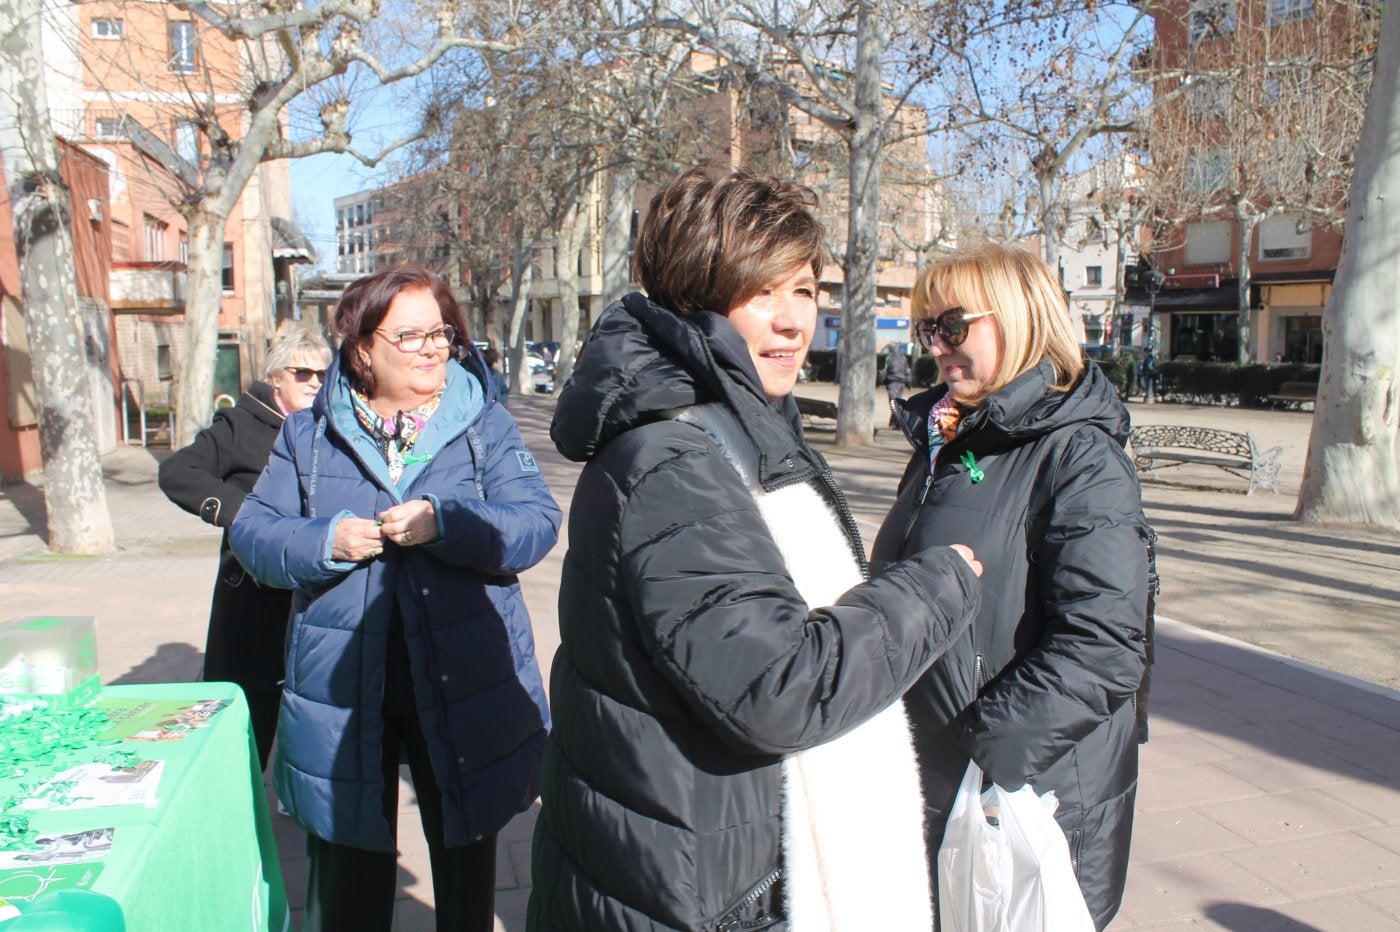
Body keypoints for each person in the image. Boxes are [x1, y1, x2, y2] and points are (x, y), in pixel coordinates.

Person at [529, 168, 983, 931]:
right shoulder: (677, 455)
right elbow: (777, 684)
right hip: (704, 887)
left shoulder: (733, 424)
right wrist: (936, 590)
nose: (791, 321)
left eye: (804, 290)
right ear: (695, 297)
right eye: (760, 291)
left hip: (699, 856)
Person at [229, 265, 561, 932]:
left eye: (440, 332)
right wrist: (326, 541)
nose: (434, 347)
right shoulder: (307, 436)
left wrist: (449, 522)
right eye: (411, 335)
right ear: (362, 349)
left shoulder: (482, 425)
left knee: (466, 867)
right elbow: (253, 535)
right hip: (344, 687)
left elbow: (536, 522)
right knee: (348, 873)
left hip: (466, 680)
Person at [871, 242, 1151, 929]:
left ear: (1022, 318)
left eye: (954, 326)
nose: (937, 346)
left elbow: (1106, 645)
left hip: (1019, 795)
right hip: (941, 782)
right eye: (927, 330)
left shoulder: (1078, 455)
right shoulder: (951, 441)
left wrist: (983, 752)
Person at [157, 330, 331, 771]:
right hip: (252, 593)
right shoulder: (240, 424)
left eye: (323, 375)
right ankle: (237, 799)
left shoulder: (327, 425)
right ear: (277, 378)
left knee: (312, 697)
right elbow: (178, 471)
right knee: (249, 712)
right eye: (303, 372)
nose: (315, 382)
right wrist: (243, 514)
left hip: (312, 589)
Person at [881, 342, 912, 426]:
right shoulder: (903, 357)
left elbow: (884, 370)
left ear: (891, 349)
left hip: (892, 382)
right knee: (897, 401)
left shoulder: (889, 357)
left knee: (893, 402)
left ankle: (898, 423)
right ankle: (893, 422)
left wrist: (880, 380)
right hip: (901, 383)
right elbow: (907, 371)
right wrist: (909, 383)